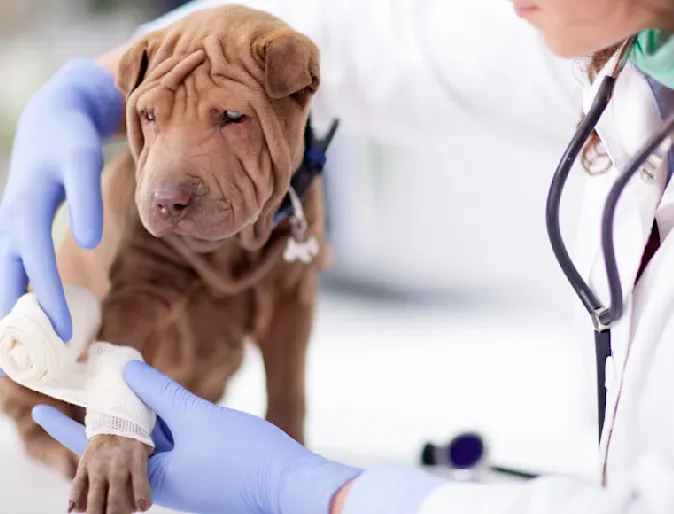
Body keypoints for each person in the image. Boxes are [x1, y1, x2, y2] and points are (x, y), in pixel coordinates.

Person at [4, 0, 674, 513]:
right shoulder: (625, 41)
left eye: (230, 120)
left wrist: (318, 488)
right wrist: (92, 85)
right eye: (150, 118)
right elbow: (374, 39)